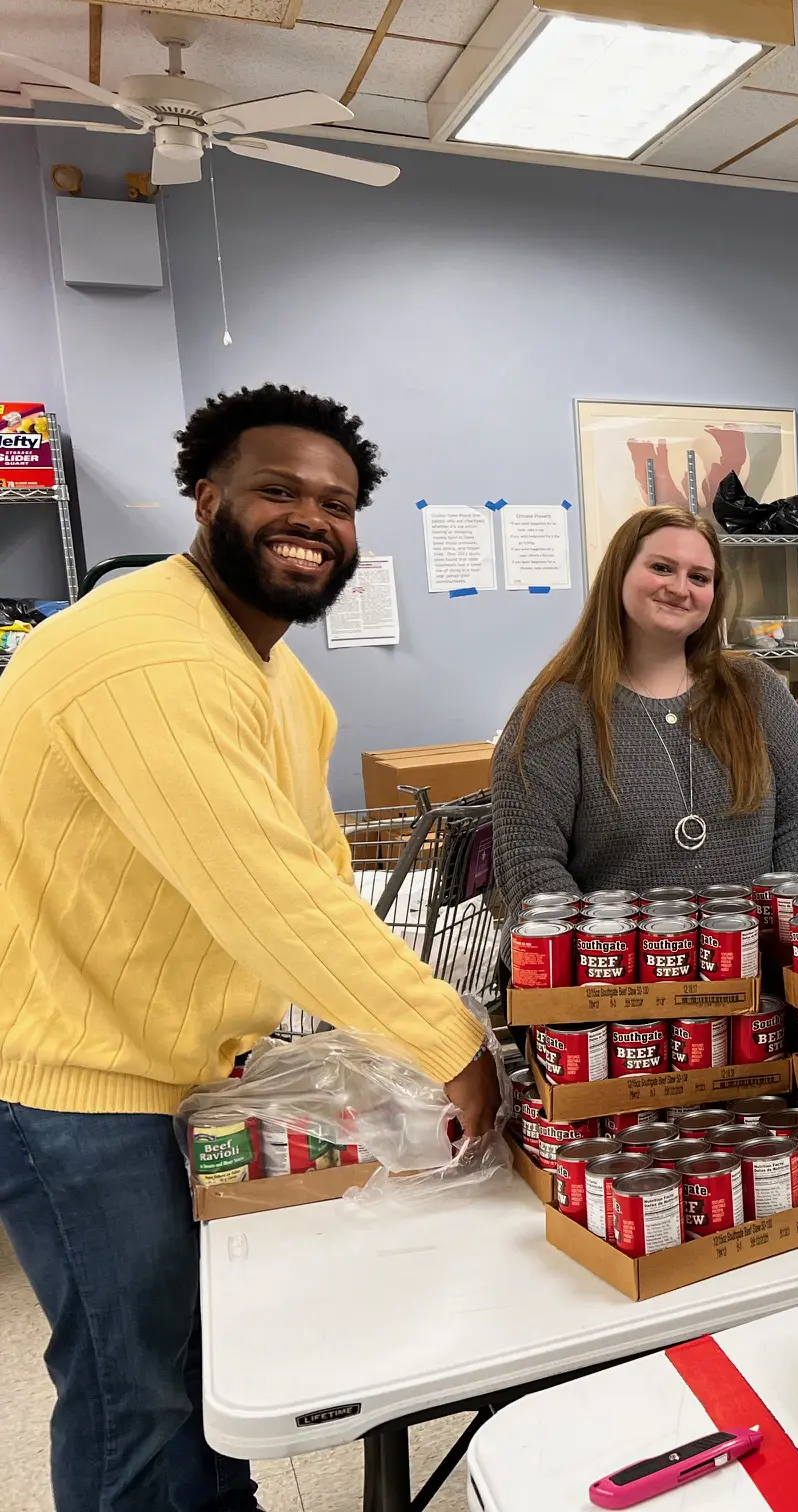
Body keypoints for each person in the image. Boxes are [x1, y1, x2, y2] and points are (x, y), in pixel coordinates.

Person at [0, 385, 501, 1512]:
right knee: (135, 1395)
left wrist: (352, 1040)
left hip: (169, 1067)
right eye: (281, 489)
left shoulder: (273, 675)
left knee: (198, 1367)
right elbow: (268, 896)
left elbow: (313, 866)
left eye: (337, 502)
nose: (312, 518)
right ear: (206, 496)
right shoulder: (150, 658)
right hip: (78, 1091)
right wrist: (446, 1042)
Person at [492, 504, 798, 911]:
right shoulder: (558, 707)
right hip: (612, 965)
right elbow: (529, 860)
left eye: (699, 577)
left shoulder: (756, 690)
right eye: (662, 568)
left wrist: (790, 931)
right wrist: (604, 948)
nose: (680, 588)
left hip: (748, 958)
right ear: (620, 572)